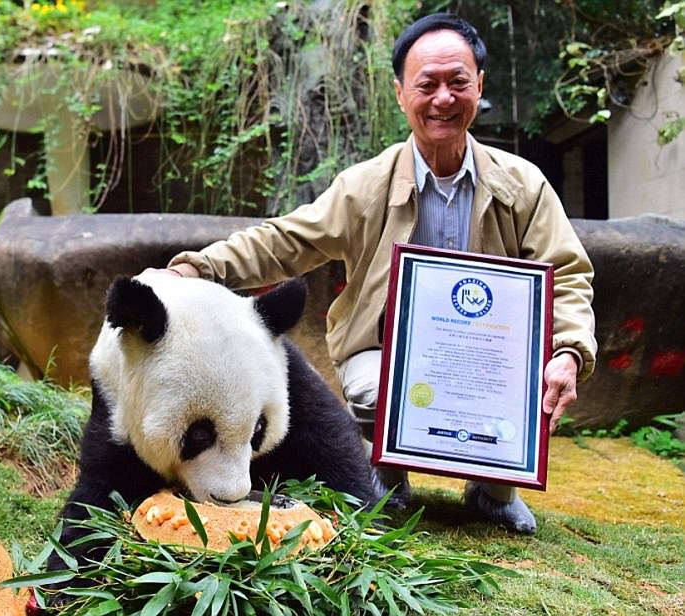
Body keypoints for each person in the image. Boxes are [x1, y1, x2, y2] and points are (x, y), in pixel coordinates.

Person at [152, 12, 596, 534]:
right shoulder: (366, 185)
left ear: (480, 84)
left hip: (489, 358)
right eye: (427, 84)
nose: (444, 98)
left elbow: (566, 272)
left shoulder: (523, 185)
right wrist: (199, 266)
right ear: (401, 92)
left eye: (458, 81)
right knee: (377, 390)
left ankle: (494, 491)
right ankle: (388, 471)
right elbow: (287, 241)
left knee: (524, 389)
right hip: (385, 349)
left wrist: (568, 352)